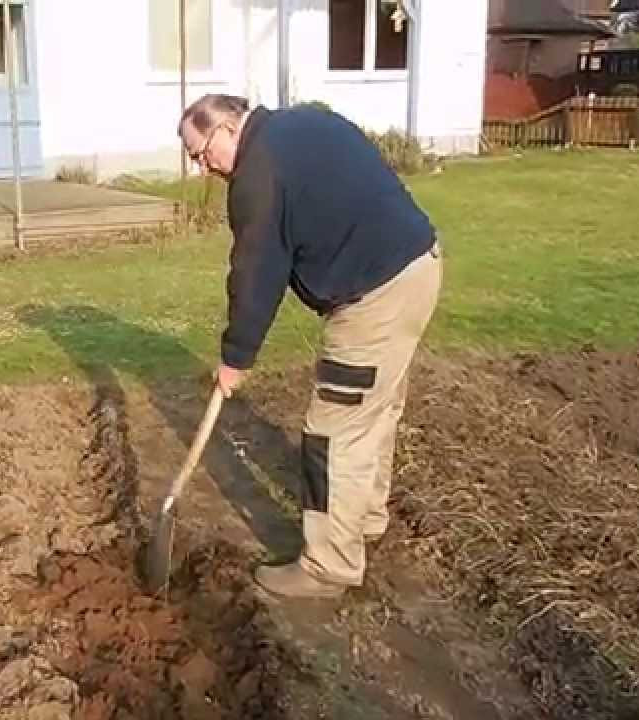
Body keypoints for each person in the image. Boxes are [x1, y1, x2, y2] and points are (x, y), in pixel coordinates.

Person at [178, 94, 443, 599]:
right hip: (419, 264)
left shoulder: (257, 175)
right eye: (194, 159)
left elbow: (256, 275)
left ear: (230, 128)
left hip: (375, 294)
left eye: (201, 152)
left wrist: (236, 358)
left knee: (332, 431)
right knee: (376, 409)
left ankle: (328, 566)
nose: (202, 168)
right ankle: (362, 520)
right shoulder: (304, 121)